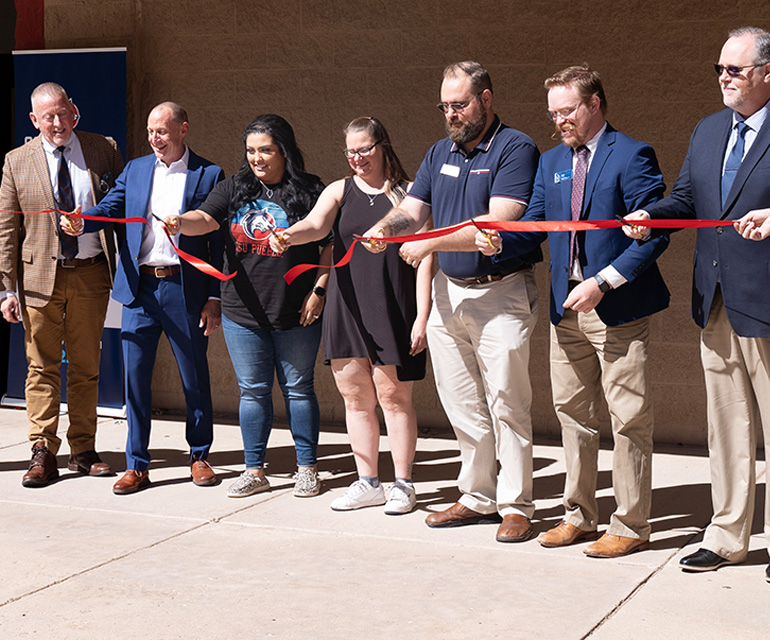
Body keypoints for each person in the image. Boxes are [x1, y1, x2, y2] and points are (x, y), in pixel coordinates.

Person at [475, 66, 669, 558]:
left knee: (628, 419)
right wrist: (501, 235)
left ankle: (630, 525)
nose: (559, 120)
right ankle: (579, 516)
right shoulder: (551, 161)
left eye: (567, 110)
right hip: (567, 307)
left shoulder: (632, 154)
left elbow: (655, 233)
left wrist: (604, 283)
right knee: (573, 416)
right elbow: (540, 221)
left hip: (617, 304)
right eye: (553, 113)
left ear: (595, 104)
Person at [362, 61, 541, 542]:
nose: (450, 115)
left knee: (508, 402)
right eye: (443, 106)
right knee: (462, 403)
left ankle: (516, 503)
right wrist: (385, 229)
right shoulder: (439, 151)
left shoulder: (515, 148)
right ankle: (477, 495)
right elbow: (414, 209)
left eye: (458, 105)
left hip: (501, 293)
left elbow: (497, 221)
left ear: (485, 99)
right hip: (448, 296)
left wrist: (428, 245)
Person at [624, 26, 770, 582]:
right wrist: (651, 216)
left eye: (735, 69)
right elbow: (687, 197)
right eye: (720, 69)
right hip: (714, 300)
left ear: (766, 74)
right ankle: (728, 536)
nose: (724, 78)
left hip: (765, 299)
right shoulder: (709, 130)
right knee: (727, 425)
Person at [269, 116, 432, 515]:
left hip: (394, 305)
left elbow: (428, 258)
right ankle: (368, 482)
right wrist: (290, 234)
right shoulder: (339, 191)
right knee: (356, 398)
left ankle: (404, 484)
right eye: (350, 151)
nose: (357, 158)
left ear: (383, 146)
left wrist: (422, 316)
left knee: (394, 397)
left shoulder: (411, 195)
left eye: (364, 149)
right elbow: (315, 225)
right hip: (347, 305)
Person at [165, 114, 330, 499]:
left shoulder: (309, 189)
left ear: (284, 151)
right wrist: (179, 222)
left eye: (266, 150)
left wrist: (319, 290)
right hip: (243, 312)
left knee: (299, 389)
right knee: (253, 391)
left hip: (296, 310)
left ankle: (308, 468)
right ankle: (255, 469)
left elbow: (328, 243)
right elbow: (204, 219)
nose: (257, 158)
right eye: (251, 150)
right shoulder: (234, 188)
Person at [62, 102, 224, 494]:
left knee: (194, 378)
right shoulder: (135, 169)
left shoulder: (209, 174)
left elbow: (218, 241)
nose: (155, 139)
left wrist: (215, 296)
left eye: (163, 132)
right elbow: (111, 208)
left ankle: (199, 455)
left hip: (185, 289)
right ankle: (137, 464)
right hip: (139, 289)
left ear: (183, 129)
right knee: (135, 380)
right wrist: (84, 220)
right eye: (151, 132)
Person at [0, 82, 123, 487]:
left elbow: (121, 207)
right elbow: (7, 229)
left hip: (90, 273)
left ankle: (83, 449)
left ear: (74, 110)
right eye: (47, 117)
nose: (57, 123)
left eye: (63, 113)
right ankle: (43, 452)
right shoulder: (17, 161)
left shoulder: (103, 148)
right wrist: (7, 288)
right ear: (34, 120)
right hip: (37, 279)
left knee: (87, 367)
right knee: (41, 367)